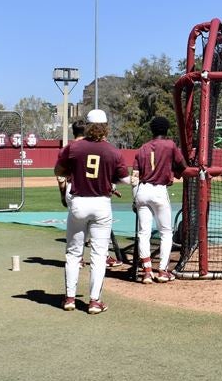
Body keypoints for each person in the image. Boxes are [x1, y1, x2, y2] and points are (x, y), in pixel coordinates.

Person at [54, 109, 130, 314]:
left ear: (87, 126)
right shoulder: (113, 151)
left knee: (73, 252)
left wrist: (74, 172)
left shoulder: (73, 148)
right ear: (106, 127)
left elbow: (58, 171)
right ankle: (94, 301)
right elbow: (124, 178)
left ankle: (70, 299)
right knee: (99, 254)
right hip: (101, 204)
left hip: (79, 202)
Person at [133, 115, 186, 284]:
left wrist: (135, 198)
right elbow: (183, 166)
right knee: (165, 232)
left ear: (152, 130)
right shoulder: (170, 145)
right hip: (159, 191)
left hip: (142, 190)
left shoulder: (142, 148)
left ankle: (147, 271)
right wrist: (175, 173)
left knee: (143, 233)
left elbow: (135, 177)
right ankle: (162, 270)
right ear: (166, 129)